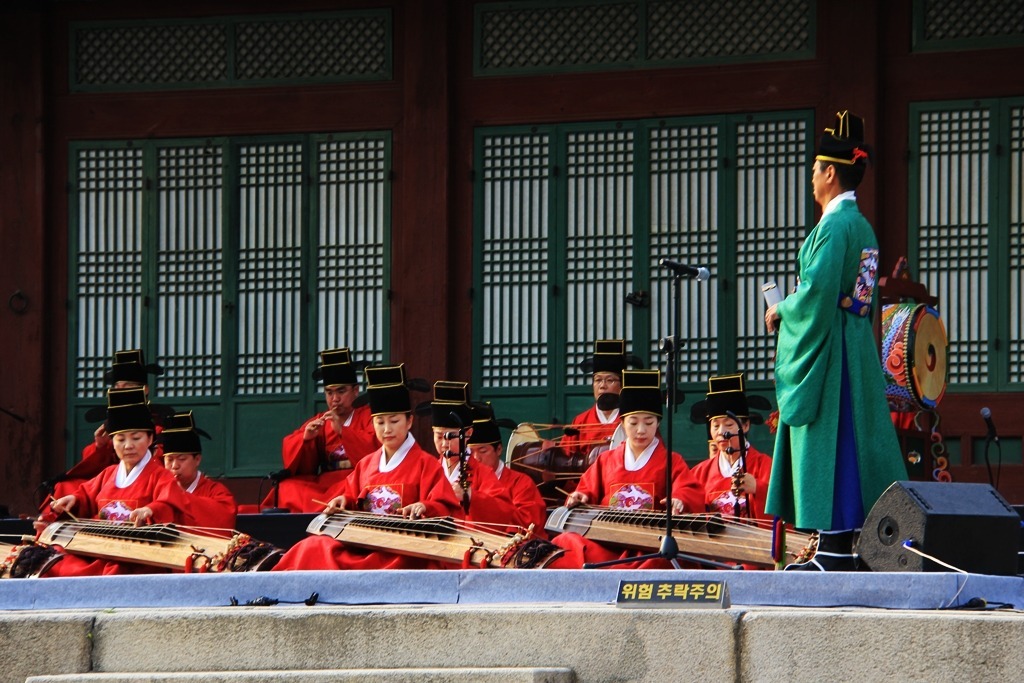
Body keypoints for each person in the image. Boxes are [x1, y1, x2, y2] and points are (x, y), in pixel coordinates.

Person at [764, 110, 907, 570]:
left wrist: (782, 309)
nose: (810, 178)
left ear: (830, 173)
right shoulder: (862, 226)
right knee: (854, 441)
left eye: (814, 169)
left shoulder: (832, 226)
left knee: (833, 440)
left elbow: (817, 293)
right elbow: (861, 295)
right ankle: (841, 547)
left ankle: (829, 549)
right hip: (856, 344)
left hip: (831, 350)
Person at [272, 364, 464, 571]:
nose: (387, 429)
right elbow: (352, 498)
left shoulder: (425, 464)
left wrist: (425, 506)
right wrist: (344, 501)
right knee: (313, 546)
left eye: (394, 421)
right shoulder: (366, 464)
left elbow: (447, 509)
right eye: (380, 422)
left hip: (402, 550)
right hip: (363, 544)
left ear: (409, 422)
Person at [550, 369, 704, 569]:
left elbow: (688, 489)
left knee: (665, 558)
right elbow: (587, 489)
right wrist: (582, 495)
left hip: (649, 545)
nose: (641, 430)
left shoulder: (671, 460)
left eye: (648, 422)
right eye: (633, 422)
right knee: (566, 542)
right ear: (622, 423)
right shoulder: (606, 459)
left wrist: (680, 499)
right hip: (608, 542)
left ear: (658, 422)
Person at [35, 386, 192, 577]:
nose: (128, 446)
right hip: (100, 548)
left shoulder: (160, 475)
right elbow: (85, 495)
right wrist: (74, 500)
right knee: (54, 559)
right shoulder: (108, 474)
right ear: (112, 442)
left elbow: (170, 503)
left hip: (137, 555)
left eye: (136, 438)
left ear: (150, 438)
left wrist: (150, 509)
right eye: (120, 439)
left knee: (114, 570)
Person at [45, 349, 167, 504]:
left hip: (144, 478)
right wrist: (100, 446)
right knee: (65, 487)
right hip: (112, 477)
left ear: (145, 389)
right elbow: (93, 468)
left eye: (127, 386)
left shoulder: (158, 421)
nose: (121, 391)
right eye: (117, 386)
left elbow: (164, 459)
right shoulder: (113, 418)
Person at [268, 348, 380, 512]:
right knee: (287, 486)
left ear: (355, 391)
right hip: (326, 481)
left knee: (357, 489)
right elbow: (302, 464)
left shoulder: (369, 417)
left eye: (341, 391)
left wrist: (343, 431)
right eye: (329, 392)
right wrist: (306, 439)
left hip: (355, 478)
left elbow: (377, 452)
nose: (335, 399)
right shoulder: (321, 419)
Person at [428, 382, 517, 533]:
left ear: (468, 434)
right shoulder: (428, 469)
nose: (444, 444)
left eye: (450, 437)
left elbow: (503, 512)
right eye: (439, 436)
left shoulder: (482, 473)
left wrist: (470, 495)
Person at [689, 374, 773, 521]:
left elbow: (783, 513)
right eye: (715, 426)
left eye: (728, 424)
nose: (721, 432)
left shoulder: (765, 466)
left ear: (746, 426)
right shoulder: (699, 473)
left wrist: (758, 488)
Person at [466, 403, 550, 538]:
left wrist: (485, 507)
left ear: (499, 449)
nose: (476, 458)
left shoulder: (521, 483)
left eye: (483, 451)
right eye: (470, 452)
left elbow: (528, 523)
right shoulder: (466, 481)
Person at [161, 412, 237, 530]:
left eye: (182, 459)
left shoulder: (216, 492)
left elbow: (225, 521)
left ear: (197, 459)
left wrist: (180, 497)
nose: (174, 466)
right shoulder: (158, 490)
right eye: (169, 459)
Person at [559, 339, 635, 457]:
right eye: (598, 380)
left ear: (622, 385)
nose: (602, 385)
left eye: (610, 380)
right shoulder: (580, 422)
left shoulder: (634, 419)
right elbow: (564, 457)